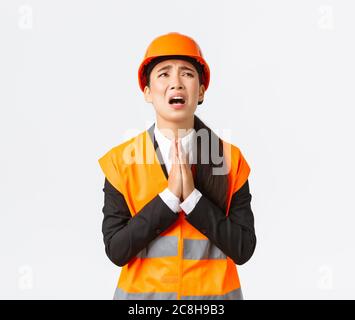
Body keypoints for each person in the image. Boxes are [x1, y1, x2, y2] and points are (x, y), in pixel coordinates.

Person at [98, 32, 256, 300]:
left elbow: (242, 248)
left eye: (187, 74)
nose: (176, 83)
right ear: (147, 92)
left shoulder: (230, 160)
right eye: (164, 74)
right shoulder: (121, 161)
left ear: (202, 90)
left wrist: (194, 200)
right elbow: (116, 250)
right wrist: (169, 199)